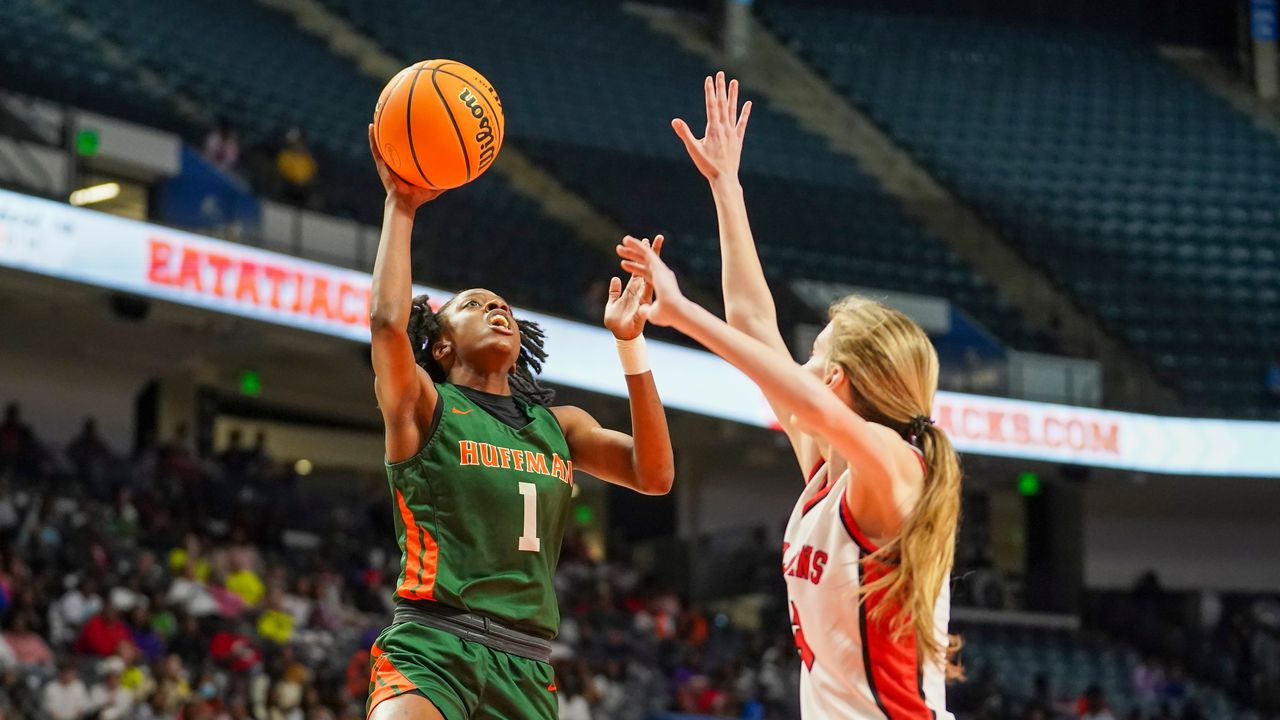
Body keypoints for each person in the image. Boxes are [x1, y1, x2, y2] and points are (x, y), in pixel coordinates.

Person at [617, 71, 963, 718]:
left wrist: (683, 314)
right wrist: (726, 186)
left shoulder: (897, 472)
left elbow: (810, 403)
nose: (796, 366)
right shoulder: (829, 470)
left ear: (838, 382)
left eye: (813, 357)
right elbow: (754, 324)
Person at [362, 123, 675, 720]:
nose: (496, 309)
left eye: (502, 304)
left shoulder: (560, 425)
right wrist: (401, 205)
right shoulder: (424, 406)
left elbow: (655, 475)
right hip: (432, 643)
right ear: (443, 346)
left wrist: (631, 346)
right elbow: (387, 325)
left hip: (526, 663)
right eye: (473, 305)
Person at [277, 126, 318, 208]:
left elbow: (312, 175)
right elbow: (283, 173)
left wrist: (306, 183)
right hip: (289, 189)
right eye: (295, 143)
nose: (298, 145)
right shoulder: (285, 156)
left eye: (300, 142)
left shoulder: (308, 158)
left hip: (304, 191)